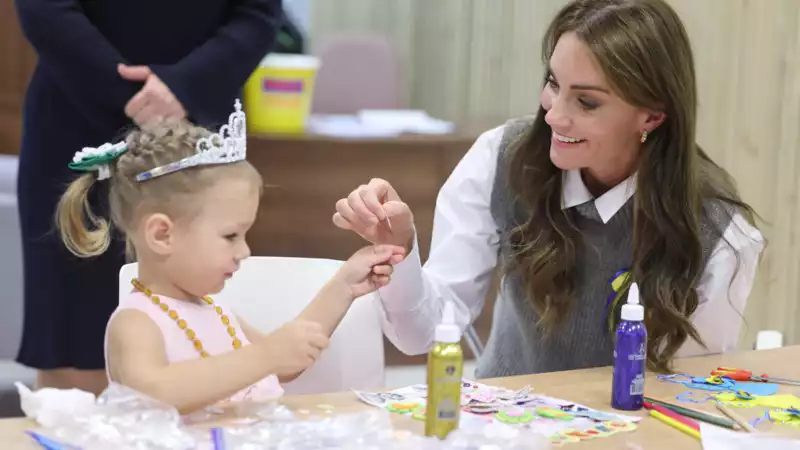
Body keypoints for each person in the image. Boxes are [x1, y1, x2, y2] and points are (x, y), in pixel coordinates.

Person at [333, 0, 765, 378]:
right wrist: (401, 250)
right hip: (502, 429)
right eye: (554, 84)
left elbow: (685, 392)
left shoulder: (720, 230)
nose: (554, 116)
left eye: (587, 102)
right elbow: (421, 335)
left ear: (651, 117)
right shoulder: (500, 159)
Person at [55, 101, 405, 413]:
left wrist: (344, 285)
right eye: (230, 236)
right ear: (162, 234)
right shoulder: (135, 323)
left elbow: (284, 364)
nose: (244, 251)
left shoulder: (216, 311)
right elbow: (154, 393)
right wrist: (265, 356)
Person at [14, 0, 284, 395]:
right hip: (77, 110)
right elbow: (46, 9)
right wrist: (131, 93)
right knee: (73, 332)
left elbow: (258, 13)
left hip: (199, 126)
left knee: (203, 298)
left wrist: (185, 85)